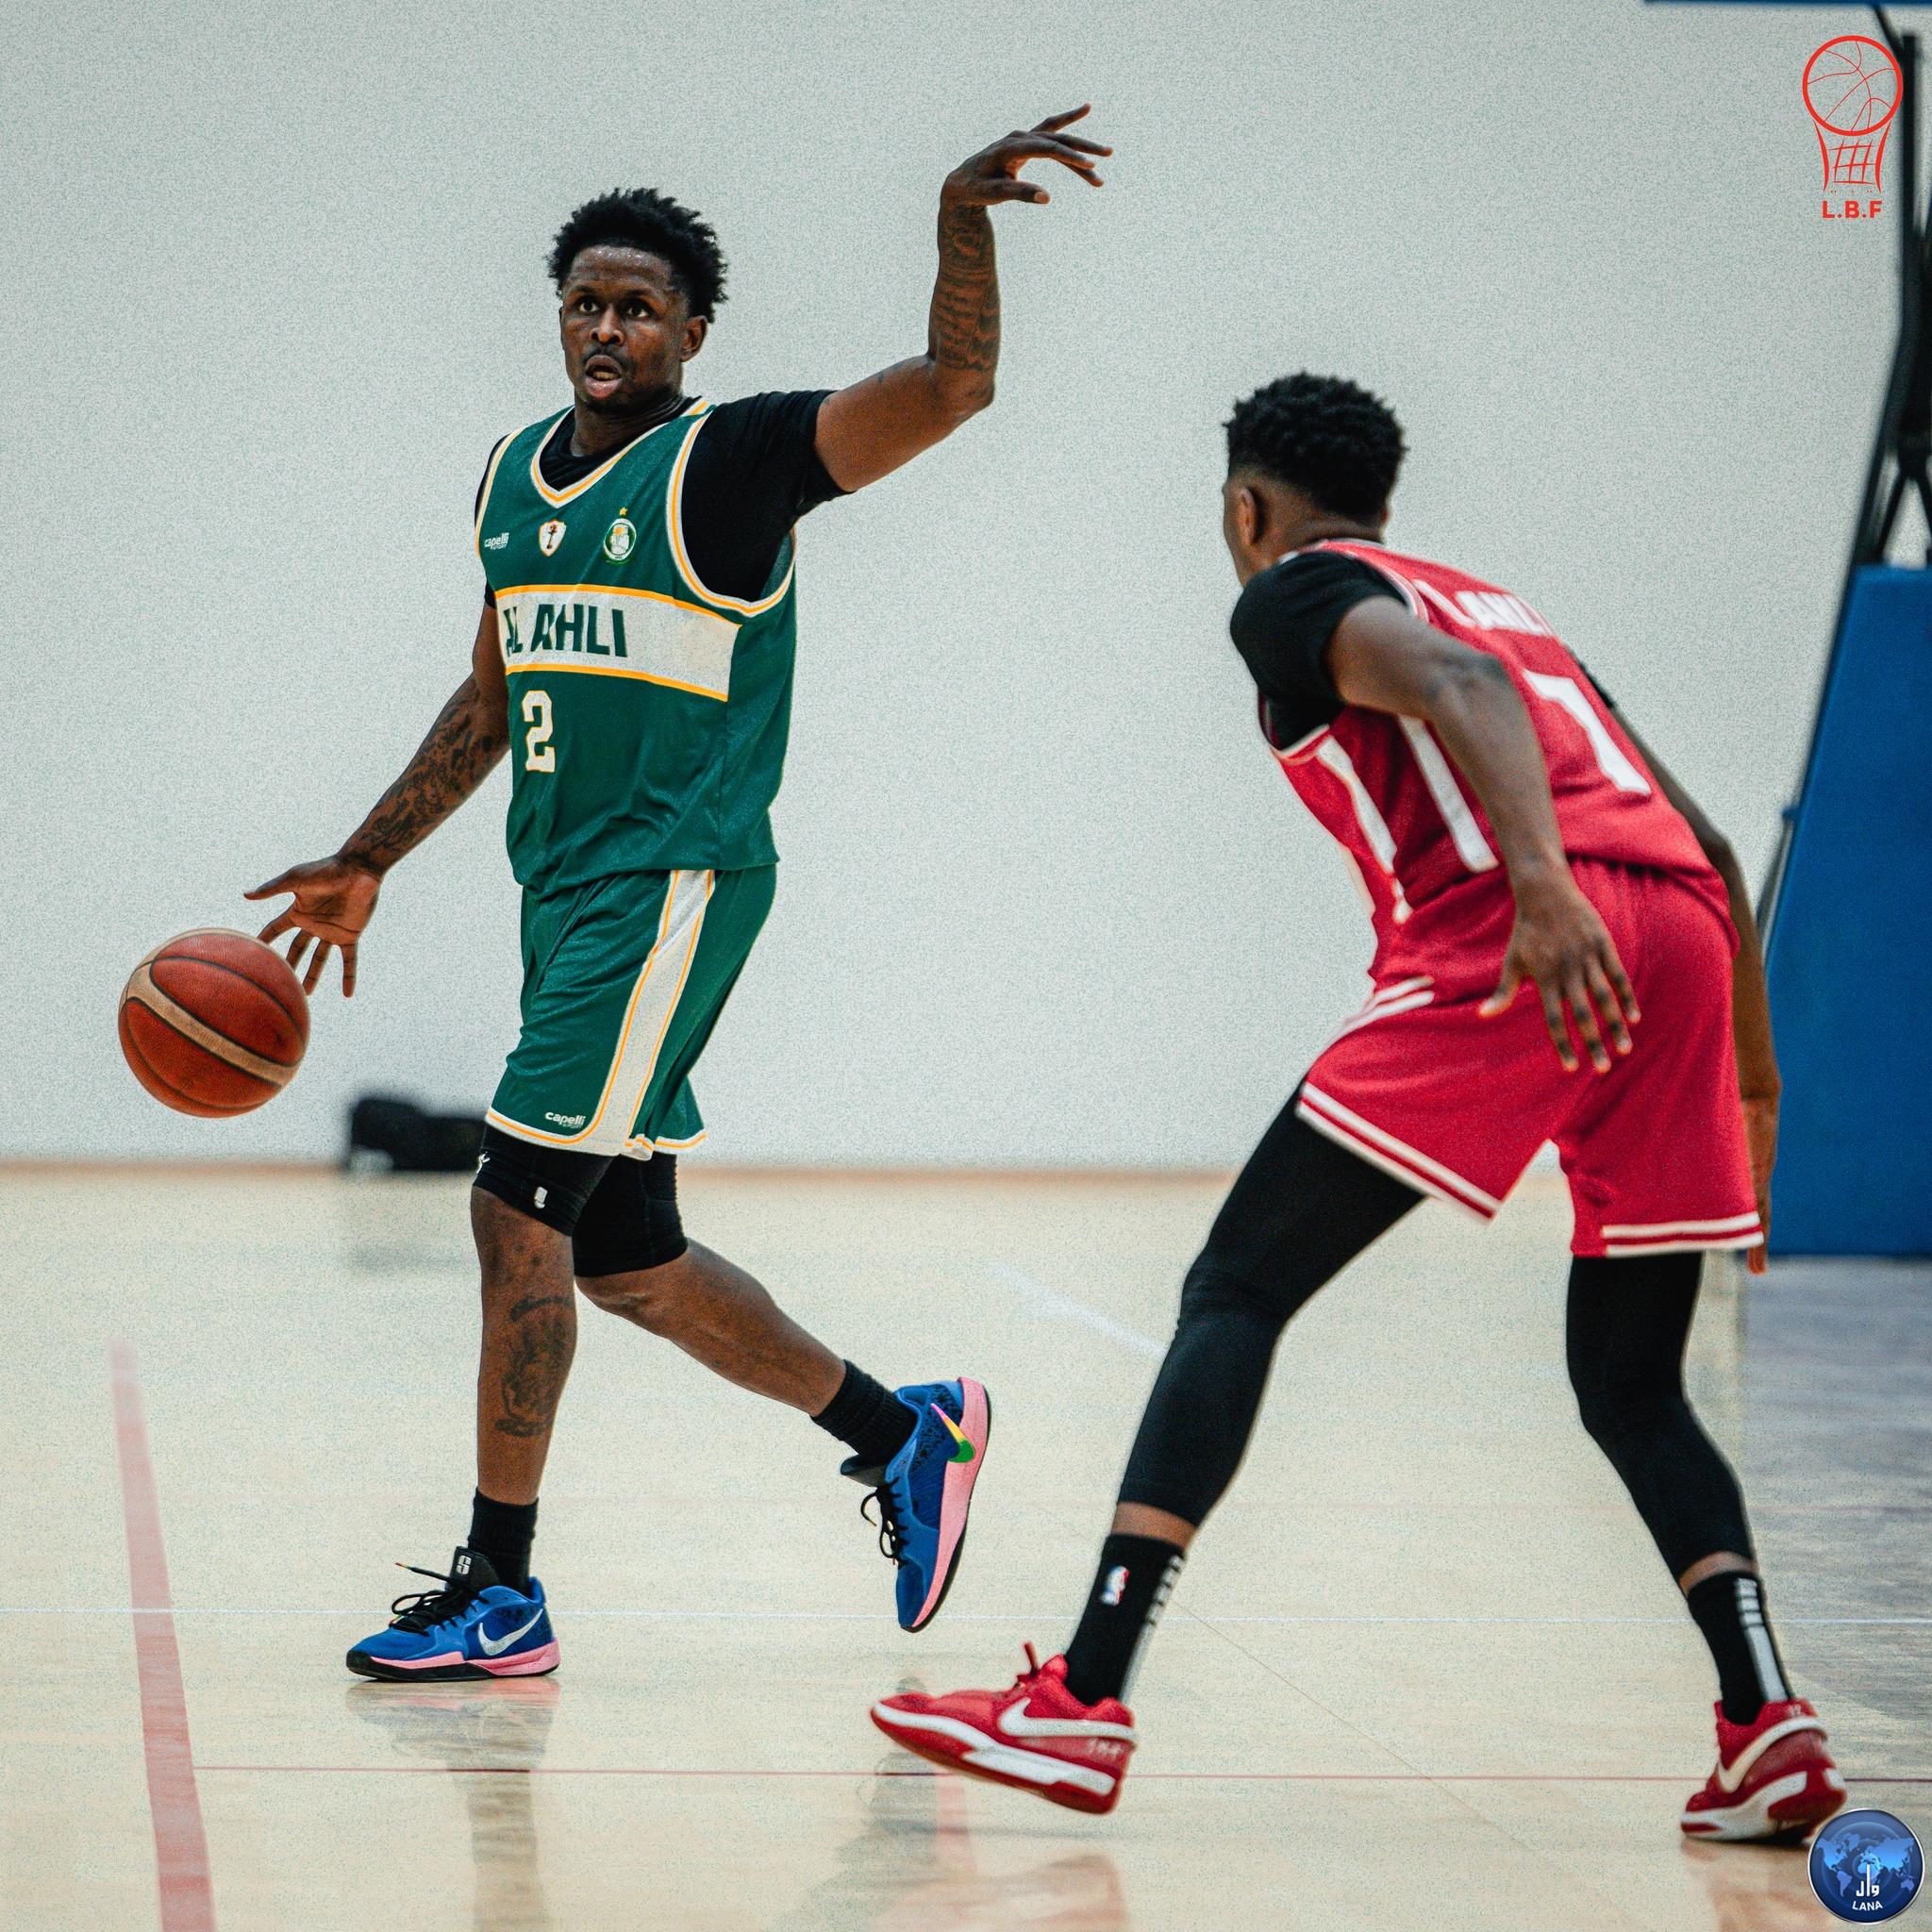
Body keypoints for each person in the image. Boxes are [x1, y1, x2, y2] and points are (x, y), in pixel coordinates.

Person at [871, 373, 1846, 1843]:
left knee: (1238, 1286)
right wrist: (1755, 1088)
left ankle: (1084, 1696)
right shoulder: (1506, 610)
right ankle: (1767, 1721)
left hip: (1530, 931)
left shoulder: (1299, 591)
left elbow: (1460, 695)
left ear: (1246, 510)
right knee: (1635, 1382)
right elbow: (1705, 839)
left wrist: (1540, 888)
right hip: (1689, 945)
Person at [248, 108, 1111, 1678]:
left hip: (671, 885)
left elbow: (952, 388)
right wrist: (370, 856)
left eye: (639, 307)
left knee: (513, 1203)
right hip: (562, 894)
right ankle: (906, 1437)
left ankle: (501, 1591)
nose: (607, 328)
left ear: (693, 331)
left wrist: (957, 221)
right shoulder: (512, 477)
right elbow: (495, 694)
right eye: (585, 301)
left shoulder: (734, 462)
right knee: (628, 1259)